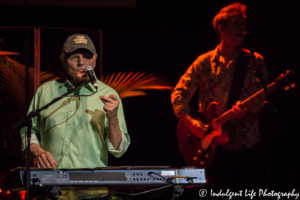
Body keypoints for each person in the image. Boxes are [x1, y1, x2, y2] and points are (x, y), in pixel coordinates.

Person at [171, 2, 268, 199]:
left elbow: (261, 97)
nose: (243, 28)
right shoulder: (204, 62)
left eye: (244, 23)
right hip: (214, 151)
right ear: (221, 29)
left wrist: (246, 110)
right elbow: (178, 94)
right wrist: (192, 123)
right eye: (236, 23)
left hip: (246, 146)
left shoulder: (254, 61)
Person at [20, 34, 130, 199]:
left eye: (87, 57)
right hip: (49, 188)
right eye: (74, 57)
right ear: (63, 61)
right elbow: (28, 132)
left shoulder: (108, 94)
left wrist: (113, 118)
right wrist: (37, 151)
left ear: (95, 60)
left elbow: (118, 150)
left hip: (91, 191)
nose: (81, 63)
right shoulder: (46, 91)